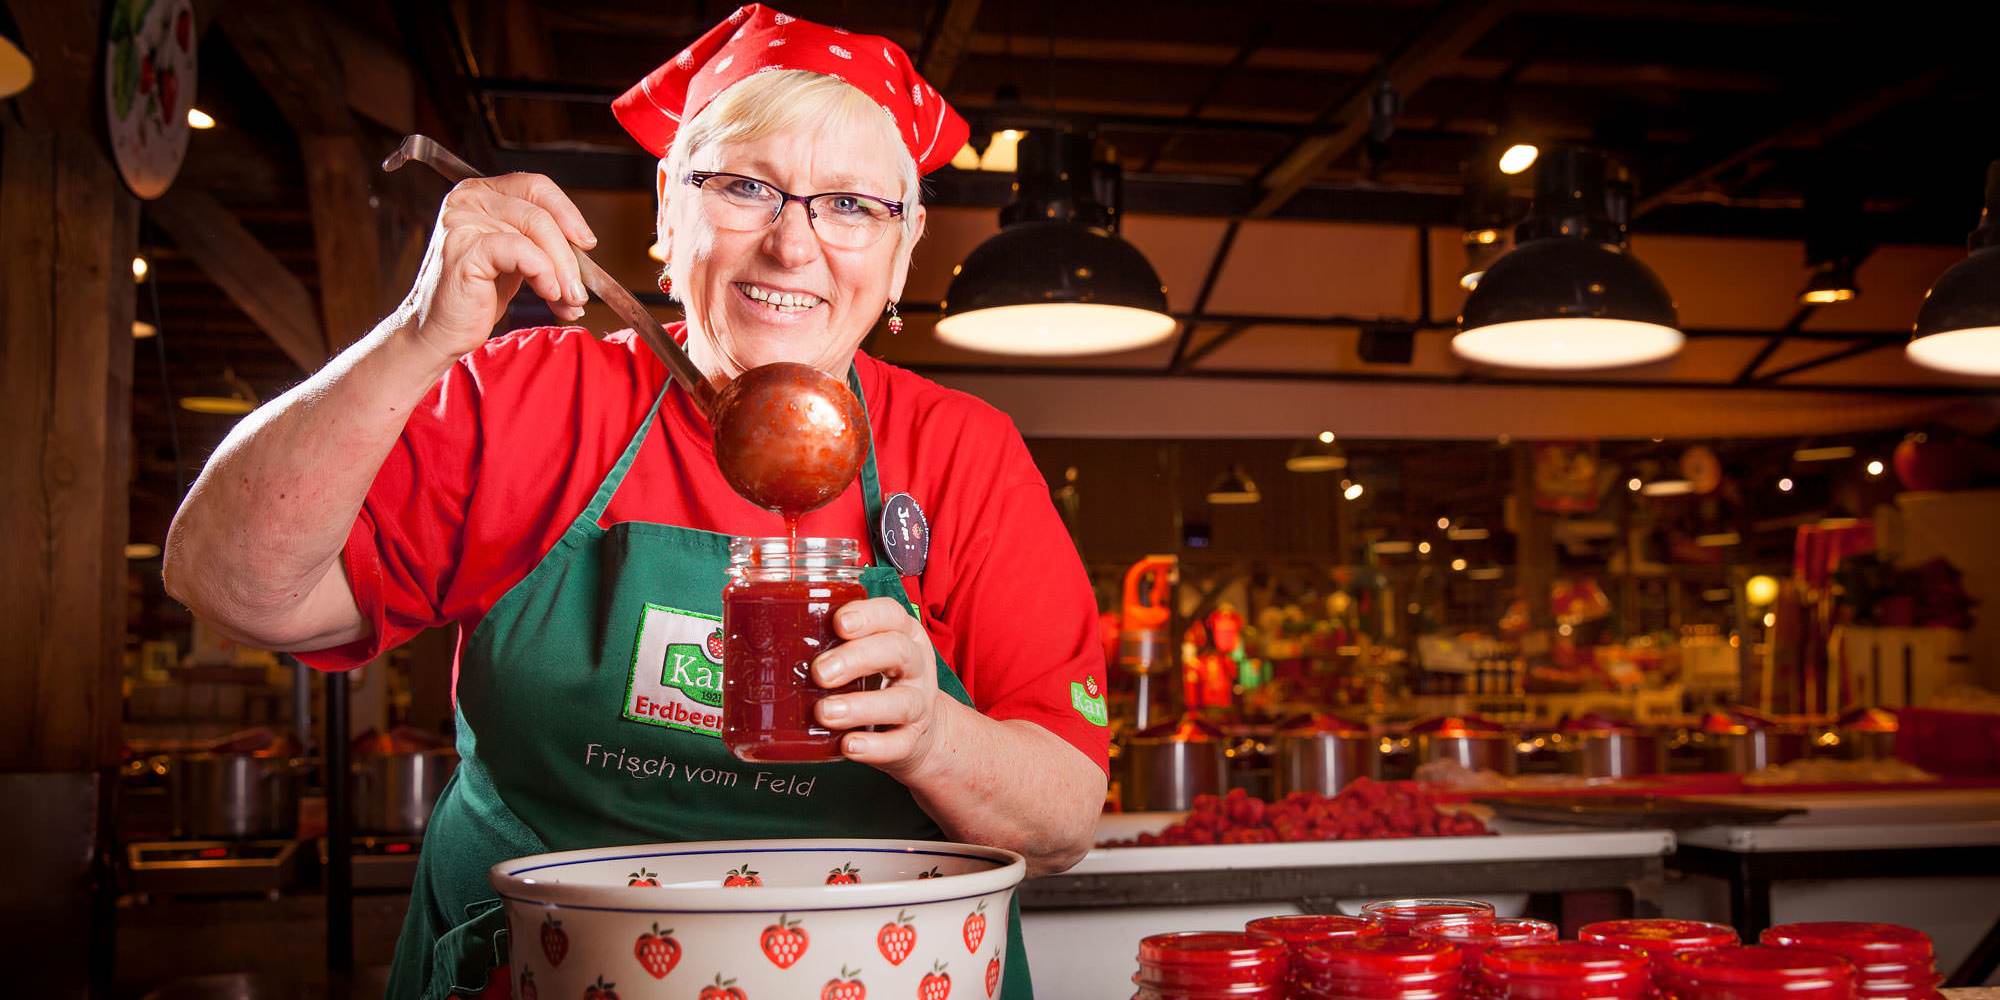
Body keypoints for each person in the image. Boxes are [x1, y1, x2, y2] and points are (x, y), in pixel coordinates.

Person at [161, 6, 1107, 997]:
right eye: (745, 186)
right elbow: (233, 588)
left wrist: (933, 736)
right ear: (668, 209)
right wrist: (414, 335)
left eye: (851, 206)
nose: (793, 246)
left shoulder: (960, 452)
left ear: (901, 249)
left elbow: (1064, 817)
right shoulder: (523, 397)